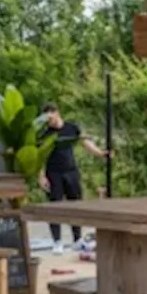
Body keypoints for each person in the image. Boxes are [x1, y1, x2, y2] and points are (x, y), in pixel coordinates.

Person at [38, 102, 108, 255]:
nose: (50, 121)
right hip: (53, 173)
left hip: (71, 171)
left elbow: (85, 142)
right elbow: (39, 158)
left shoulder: (71, 127)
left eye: (51, 117)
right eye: (46, 119)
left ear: (57, 113)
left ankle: (77, 239)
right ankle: (57, 241)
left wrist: (100, 153)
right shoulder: (45, 134)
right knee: (54, 207)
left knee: (75, 203)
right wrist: (41, 176)